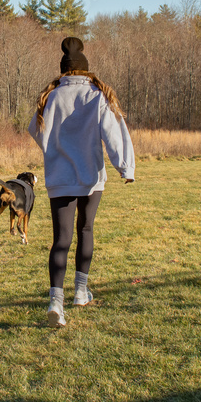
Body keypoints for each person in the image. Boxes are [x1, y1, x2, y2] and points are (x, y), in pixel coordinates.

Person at [28, 36, 135, 327]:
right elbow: (114, 134)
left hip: (60, 178)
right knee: (85, 230)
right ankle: (80, 292)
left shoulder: (51, 96)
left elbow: (35, 130)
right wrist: (125, 168)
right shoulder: (97, 96)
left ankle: (55, 303)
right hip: (91, 178)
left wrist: (54, 150)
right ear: (85, 70)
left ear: (63, 70)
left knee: (61, 240)